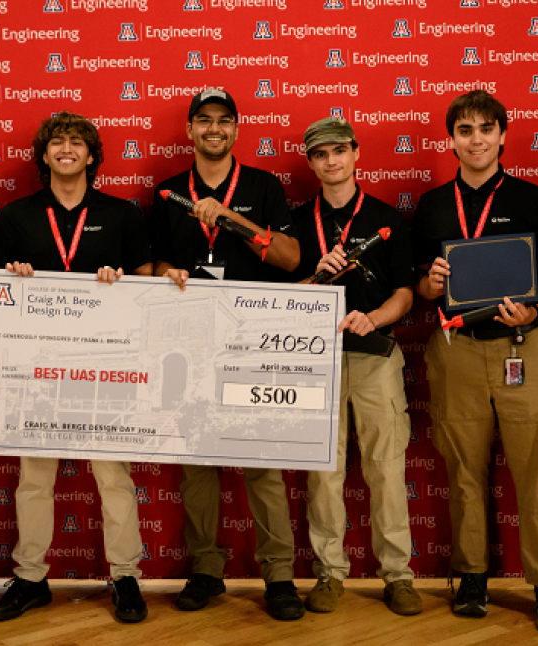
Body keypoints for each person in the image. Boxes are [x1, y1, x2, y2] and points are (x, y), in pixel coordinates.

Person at [0, 111, 153, 624]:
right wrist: (13, 276)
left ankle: (126, 577)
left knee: (113, 477)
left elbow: (148, 288)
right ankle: (31, 577)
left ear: (92, 156)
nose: (68, 149)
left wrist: (122, 283)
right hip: (36, 371)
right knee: (34, 478)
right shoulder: (15, 216)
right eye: (57, 142)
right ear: (45, 155)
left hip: (106, 368)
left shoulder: (122, 215)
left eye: (78, 142)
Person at [411, 90, 538, 632]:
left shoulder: (533, 199)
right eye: (465, 129)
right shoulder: (433, 204)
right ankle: (472, 575)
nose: (475, 139)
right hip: (457, 352)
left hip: (524, 350)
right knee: (464, 474)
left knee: (535, 472)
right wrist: (430, 285)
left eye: (486, 128)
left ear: (503, 135)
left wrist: (534, 313)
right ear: (451, 139)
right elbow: (417, 285)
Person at [150, 88, 305, 621]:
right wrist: (163, 274)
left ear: (236, 129)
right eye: (204, 121)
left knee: (262, 463)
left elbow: (289, 258)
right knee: (198, 466)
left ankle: (279, 575)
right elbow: (153, 266)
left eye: (224, 121)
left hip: (252, 340)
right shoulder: (168, 192)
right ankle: (206, 570)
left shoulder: (262, 187)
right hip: (190, 342)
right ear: (190, 129)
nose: (214, 129)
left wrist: (232, 221)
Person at [290, 117, 422, 616]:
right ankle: (329, 574)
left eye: (339, 151)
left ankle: (398, 576)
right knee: (324, 474)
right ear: (312, 163)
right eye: (320, 154)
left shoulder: (388, 218)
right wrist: (312, 279)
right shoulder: (297, 223)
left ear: (355, 153)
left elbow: (406, 294)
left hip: (376, 358)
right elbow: (276, 297)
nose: (331, 161)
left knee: (387, 471)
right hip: (315, 362)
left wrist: (374, 318)